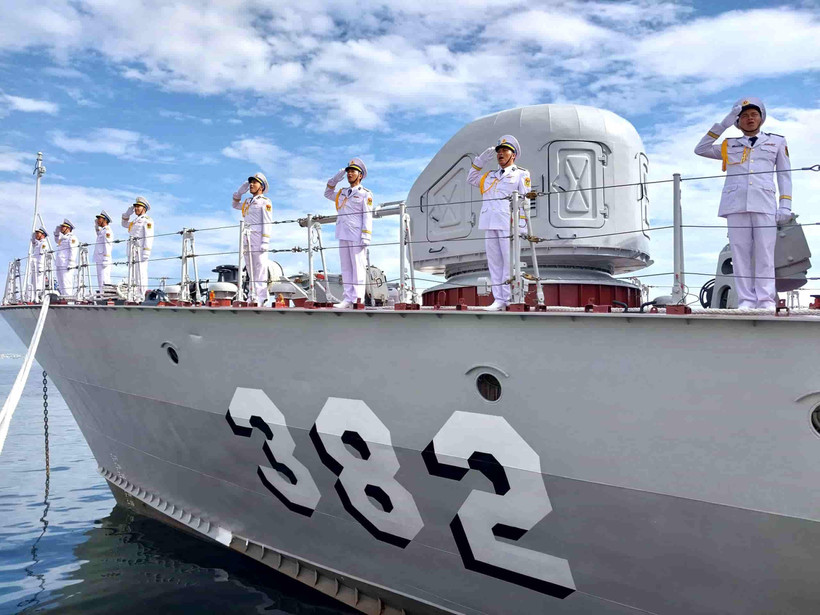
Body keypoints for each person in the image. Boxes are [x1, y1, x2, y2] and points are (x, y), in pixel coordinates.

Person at [695, 97, 792, 311]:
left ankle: (766, 300)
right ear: (738, 121)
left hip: (764, 202)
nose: (750, 119)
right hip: (736, 204)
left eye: (754, 114)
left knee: (765, 252)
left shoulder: (776, 142)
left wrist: (785, 204)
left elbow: (785, 175)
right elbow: (700, 148)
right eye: (745, 116)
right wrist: (724, 123)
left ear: (761, 118)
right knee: (740, 253)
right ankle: (746, 300)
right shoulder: (730, 145)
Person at [467, 135, 531, 310]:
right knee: (494, 262)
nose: (500, 154)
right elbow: (471, 178)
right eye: (499, 151)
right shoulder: (489, 175)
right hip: (489, 222)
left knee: (509, 262)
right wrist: (480, 161)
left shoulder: (521, 174)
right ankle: (499, 299)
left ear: (513, 155)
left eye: (505, 151)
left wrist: (523, 226)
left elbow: (524, 202)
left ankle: (510, 297)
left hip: (508, 224)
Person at [324, 158, 373, 309]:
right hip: (343, 232)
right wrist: (336, 178)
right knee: (346, 267)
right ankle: (347, 298)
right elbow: (327, 193)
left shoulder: (365, 194)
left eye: (353, 171)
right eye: (348, 171)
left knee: (358, 267)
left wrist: (366, 235)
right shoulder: (342, 192)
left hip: (357, 234)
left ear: (360, 175)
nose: (350, 174)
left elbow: (367, 215)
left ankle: (358, 298)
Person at [232, 173, 273, 306]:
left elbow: (267, 222)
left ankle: (261, 296)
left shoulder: (265, 202)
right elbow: (234, 204)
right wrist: (240, 190)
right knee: (250, 269)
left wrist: (265, 241)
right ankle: (252, 295)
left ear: (261, 186)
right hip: (247, 238)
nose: (251, 184)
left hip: (258, 237)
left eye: (254, 182)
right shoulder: (248, 202)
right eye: (250, 182)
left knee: (260, 267)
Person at [121, 197, 155, 301]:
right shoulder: (135, 221)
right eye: (135, 207)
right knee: (133, 274)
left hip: (141, 251)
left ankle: (141, 295)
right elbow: (124, 224)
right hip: (132, 251)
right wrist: (127, 214)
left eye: (138, 207)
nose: (136, 209)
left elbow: (149, 236)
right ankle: (134, 294)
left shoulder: (147, 220)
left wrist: (146, 251)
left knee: (141, 273)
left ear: (144, 208)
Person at [53, 219, 79, 298]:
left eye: (63, 227)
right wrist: (56, 232)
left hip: (67, 264)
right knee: (61, 284)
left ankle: (68, 301)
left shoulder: (72, 238)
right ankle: (63, 299)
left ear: (68, 228)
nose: (61, 228)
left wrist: (71, 263)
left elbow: (73, 251)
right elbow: (57, 240)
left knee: (66, 283)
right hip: (60, 263)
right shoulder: (63, 238)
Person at [93, 210, 114, 292]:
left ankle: (106, 297)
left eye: (100, 219)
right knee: (100, 281)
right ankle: (103, 296)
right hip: (100, 259)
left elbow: (108, 245)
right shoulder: (103, 231)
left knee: (104, 280)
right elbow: (98, 232)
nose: (98, 220)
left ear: (105, 220)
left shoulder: (107, 231)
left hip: (104, 259)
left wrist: (106, 257)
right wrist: (96, 224)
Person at [28, 226, 48, 301]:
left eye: (38, 233)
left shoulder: (43, 243)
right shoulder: (37, 243)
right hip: (35, 266)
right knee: (34, 283)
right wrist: (34, 235)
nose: (36, 234)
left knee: (39, 283)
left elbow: (42, 256)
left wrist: (40, 267)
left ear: (42, 234)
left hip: (40, 266)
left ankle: (38, 298)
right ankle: (34, 298)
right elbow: (33, 241)